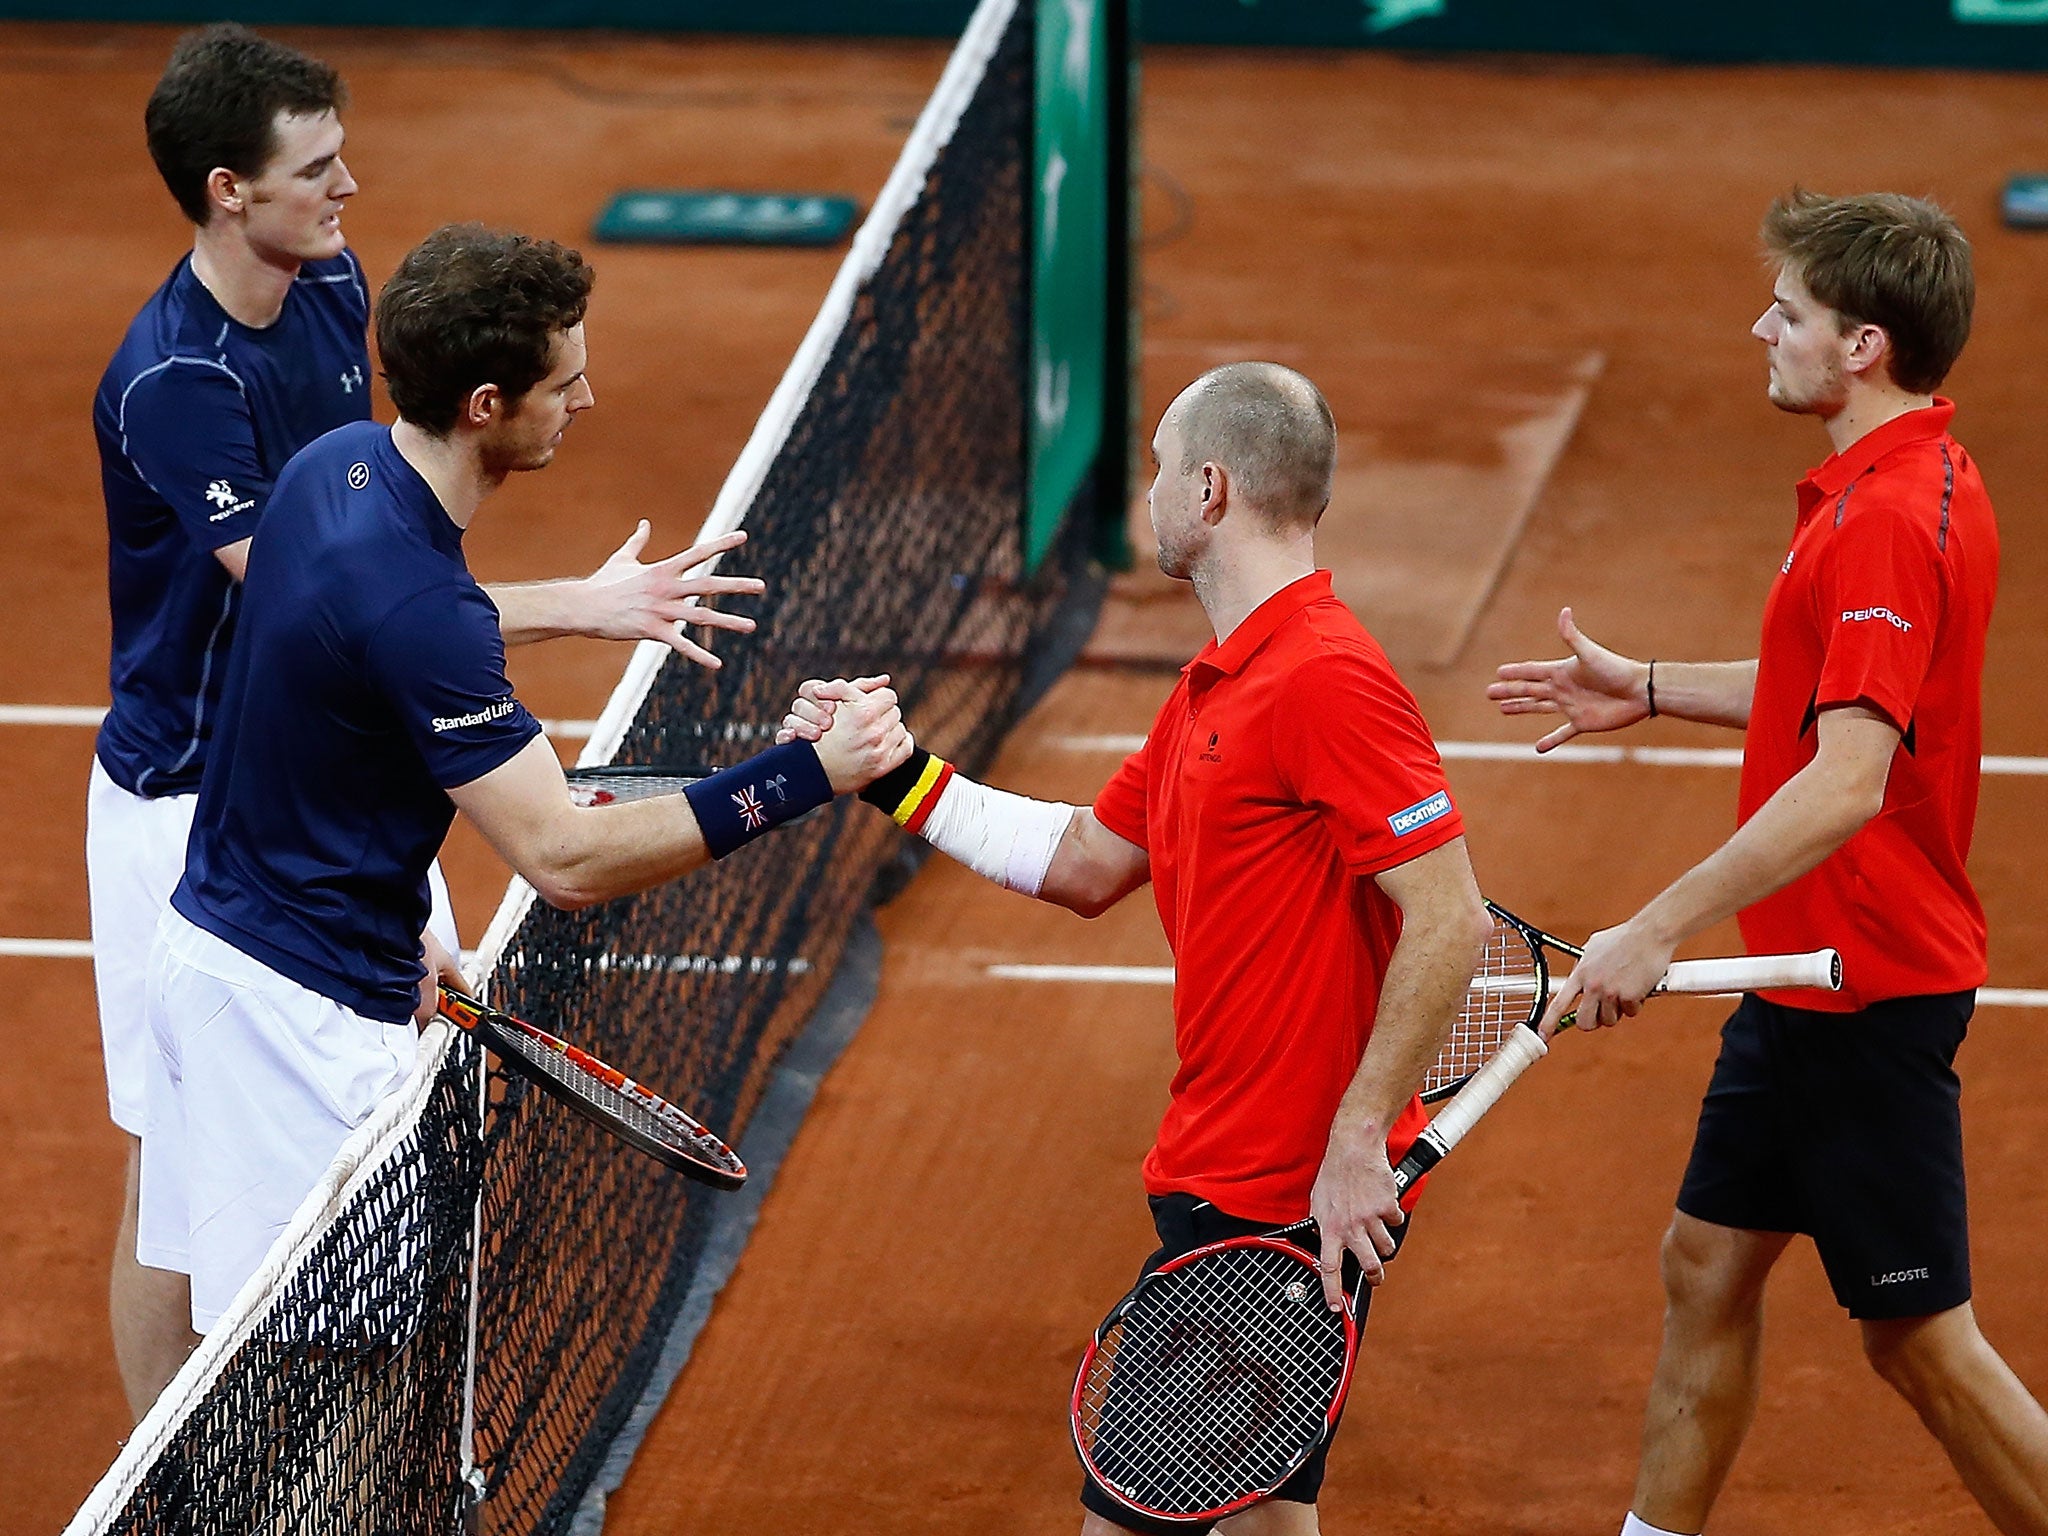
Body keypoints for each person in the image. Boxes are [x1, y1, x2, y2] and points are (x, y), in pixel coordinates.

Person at [127, 221, 910, 1415]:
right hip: (292, 1015)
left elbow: (380, 632)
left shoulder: (330, 472)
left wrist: (582, 607)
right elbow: (565, 857)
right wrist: (807, 773)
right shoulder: (420, 606)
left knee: (219, 1354)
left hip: (218, 950)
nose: (586, 397)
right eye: (564, 380)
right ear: (488, 403)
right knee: (329, 1409)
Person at [92, 24, 759, 1423]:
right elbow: (327, 597)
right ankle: (162, 1466)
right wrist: (576, 603)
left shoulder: (335, 293)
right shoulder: (180, 385)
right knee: (174, 1166)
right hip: (184, 789)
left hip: (319, 771)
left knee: (297, 1179)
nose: (350, 188)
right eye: (316, 168)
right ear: (229, 190)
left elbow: (373, 558)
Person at [784, 362, 1492, 1536]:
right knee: (1264, 1517)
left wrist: (1357, 1135)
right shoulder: (1213, 687)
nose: (1147, 493)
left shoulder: (1325, 680)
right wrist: (895, 774)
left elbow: (1449, 915)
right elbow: (1084, 862)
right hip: (1227, 1161)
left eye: (1159, 470)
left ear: (1209, 489)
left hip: (1274, 1191)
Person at [1489, 190, 2048, 1536]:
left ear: (1860, 345)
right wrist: (1655, 687)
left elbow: (1850, 777)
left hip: (1863, 983)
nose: (1765, 329)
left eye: (1787, 313)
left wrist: (1655, 926)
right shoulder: (1900, 482)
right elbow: (1841, 691)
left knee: (1919, 1343)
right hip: (1804, 979)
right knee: (1706, 1269)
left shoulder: (1886, 519)